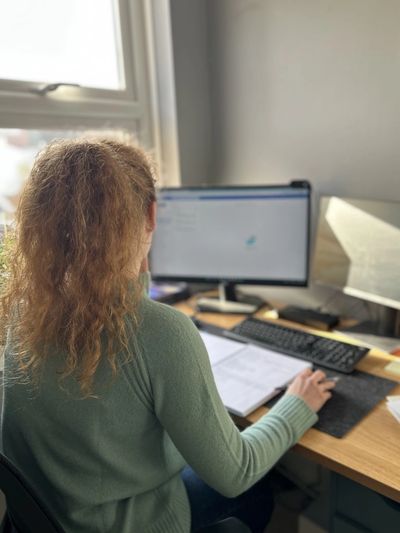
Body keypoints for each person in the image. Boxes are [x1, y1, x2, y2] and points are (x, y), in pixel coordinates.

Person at [0, 134, 335, 533]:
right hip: (134, 523)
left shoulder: (23, 308)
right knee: (258, 490)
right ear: (152, 216)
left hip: (55, 515)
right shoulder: (159, 331)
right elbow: (236, 471)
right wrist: (298, 403)